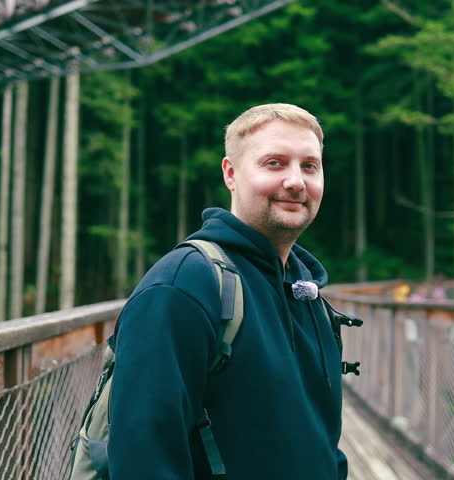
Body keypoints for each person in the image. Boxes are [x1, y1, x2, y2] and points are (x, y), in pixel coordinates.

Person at [108, 103, 348, 479]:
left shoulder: (308, 293)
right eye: (274, 163)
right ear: (231, 173)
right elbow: (143, 456)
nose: (296, 181)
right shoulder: (184, 285)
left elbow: (322, 441)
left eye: (309, 166)